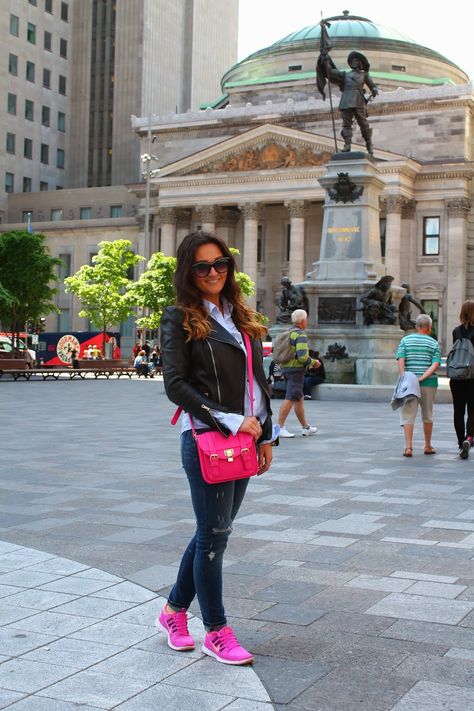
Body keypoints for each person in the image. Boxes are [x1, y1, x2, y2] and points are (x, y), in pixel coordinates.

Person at [159, 230, 275, 665]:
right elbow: (176, 385)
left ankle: (172, 611)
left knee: (215, 531)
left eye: (221, 264)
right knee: (213, 534)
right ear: (189, 271)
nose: (213, 273)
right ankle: (216, 630)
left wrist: (264, 434)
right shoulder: (179, 317)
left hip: (246, 440)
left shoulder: (239, 315)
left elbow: (254, 384)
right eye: (203, 266)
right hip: (207, 439)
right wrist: (229, 420)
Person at [396, 314, 441, 457]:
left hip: (409, 383)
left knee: (408, 415)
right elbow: (435, 364)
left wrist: (404, 376)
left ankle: (408, 447)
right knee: (427, 415)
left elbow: (401, 359)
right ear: (429, 328)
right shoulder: (434, 343)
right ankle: (427, 446)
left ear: (416, 327)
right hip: (429, 383)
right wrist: (422, 377)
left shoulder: (405, 340)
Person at [318, 49, 378, 154]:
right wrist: (325, 58)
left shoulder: (364, 75)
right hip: (346, 100)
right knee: (346, 124)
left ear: (360, 63)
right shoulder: (345, 75)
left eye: (355, 60)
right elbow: (331, 72)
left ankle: (369, 144)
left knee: (363, 123)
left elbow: (372, 86)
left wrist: (374, 89)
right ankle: (347, 145)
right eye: (351, 61)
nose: (353, 62)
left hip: (358, 100)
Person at [278, 309, 319, 438]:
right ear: (303, 321)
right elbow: (302, 357)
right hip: (296, 370)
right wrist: (314, 362)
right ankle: (279, 427)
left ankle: (305, 427)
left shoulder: (288, 332)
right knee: (291, 397)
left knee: (298, 398)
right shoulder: (300, 335)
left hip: (286, 368)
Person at [450, 300, 474, 459]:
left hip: (457, 376)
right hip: (473, 377)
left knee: (458, 411)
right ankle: (469, 438)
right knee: (473, 410)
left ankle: (460, 443)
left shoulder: (456, 331)